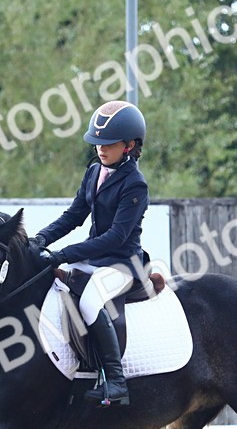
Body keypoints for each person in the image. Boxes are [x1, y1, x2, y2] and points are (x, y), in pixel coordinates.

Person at [31, 100, 149, 407]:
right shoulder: (94, 171)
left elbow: (115, 237)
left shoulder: (136, 184)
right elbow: (74, 216)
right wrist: (41, 239)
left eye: (109, 144)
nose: (101, 149)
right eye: (97, 143)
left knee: (91, 300)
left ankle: (116, 381)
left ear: (130, 146)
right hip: (95, 259)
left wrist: (63, 254)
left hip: (124, 262)